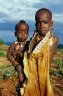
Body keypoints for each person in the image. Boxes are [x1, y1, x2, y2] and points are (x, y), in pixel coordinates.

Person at [23, 8, 58, 96]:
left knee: (43, 86)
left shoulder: (53, 40)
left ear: (51, 23)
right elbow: (30, 52)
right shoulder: (34, 38)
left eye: (45, 22)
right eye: (38, 23)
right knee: (30, 84)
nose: (41, 25)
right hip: (33, 66)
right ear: (35, 25)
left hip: (43, 68)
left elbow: (47, 57)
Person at [7, 20, 29, 89]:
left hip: (26, 62)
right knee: (19, 68)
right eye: (20, 32)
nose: (23, 34)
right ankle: (22, 84)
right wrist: (13, 61)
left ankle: (30, 82)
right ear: (15, 34)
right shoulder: (14, 44)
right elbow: (9, 54)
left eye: (26, 32)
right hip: (18, 63)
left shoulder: (28, 44)